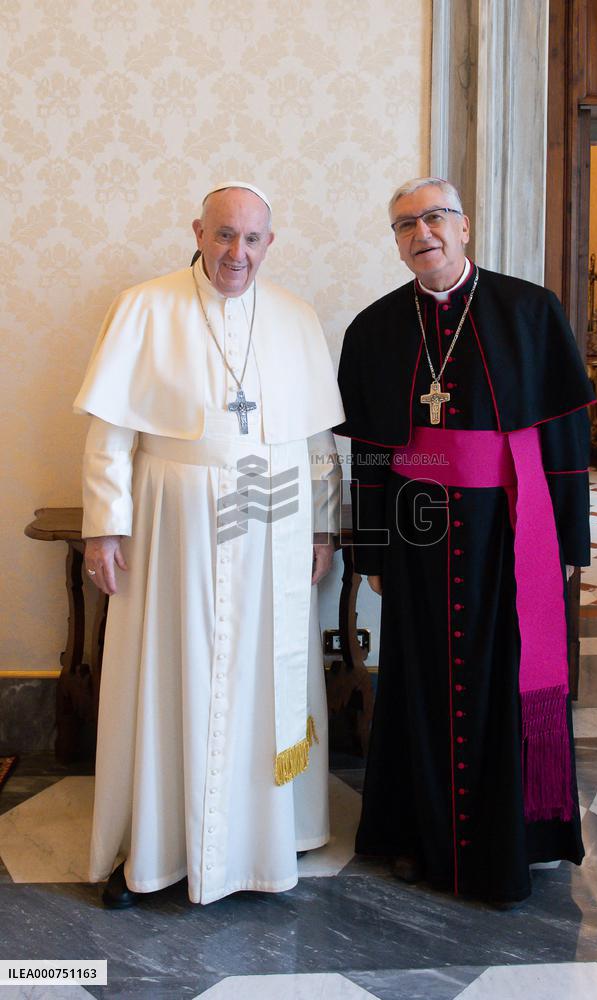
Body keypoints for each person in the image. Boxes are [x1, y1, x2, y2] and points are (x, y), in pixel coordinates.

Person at [74, 182, 344, 908]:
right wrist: (105, 522)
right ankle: (158, 843)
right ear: (198, 230)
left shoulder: (294, 317)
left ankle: (263, 839)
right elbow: (110, 433)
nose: (237, 253)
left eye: (252, 239)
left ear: (270, 243)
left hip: (274, 523)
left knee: (264, 668)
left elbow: (317, 441)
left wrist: (323, 524)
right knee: (171, 667)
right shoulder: (145, 305)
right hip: (171, 524)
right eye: (225, 235)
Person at [334, 177, 594, 905]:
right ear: (397, 240)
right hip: (417, 541)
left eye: (436, 217)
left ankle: (511, 839)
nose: (423, 233)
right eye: (406, 224)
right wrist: (375, 550)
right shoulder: (377, 327)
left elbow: (564, 434)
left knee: (504, 678)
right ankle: (418, 836)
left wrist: (570, 539)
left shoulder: (529, 311)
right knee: (417, 681)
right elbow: (373, 452)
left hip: (509, 536)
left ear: (465, 226)